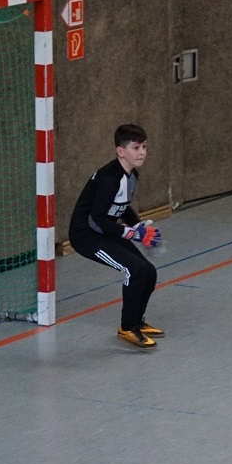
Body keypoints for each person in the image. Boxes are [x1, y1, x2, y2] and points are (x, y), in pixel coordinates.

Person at [68, 124, 164, 349]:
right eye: (136, 147)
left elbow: (122, 206)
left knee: (148, 271)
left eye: (144, 147)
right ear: (120, 151)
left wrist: (139, 227)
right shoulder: (109, 179)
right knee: (134, 269)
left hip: (106, 229)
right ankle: (127, 328)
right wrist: (131, 233)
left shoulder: (132, 174)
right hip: (87, 235)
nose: (142, 152)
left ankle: (137, 322)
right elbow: (96, 220)